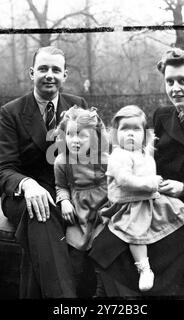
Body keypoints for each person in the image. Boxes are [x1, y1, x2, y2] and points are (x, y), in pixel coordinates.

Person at [89, 48, 184, 297]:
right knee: (105, 246)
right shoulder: (161, 116)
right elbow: (139, 158)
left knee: (151, 261)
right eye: (169, 81)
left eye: (183, 81)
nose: (175, 88)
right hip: (146, 201)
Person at [0, 46, 88, 298]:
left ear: (65, 75)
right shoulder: (11, 112)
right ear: (31, 72)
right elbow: (2, 168)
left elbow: (90, 155)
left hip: (66, 192)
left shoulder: (78, 105)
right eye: (43, 69)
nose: (49, 75)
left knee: (39, 236)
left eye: (56, 70)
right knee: (40, 214)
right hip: (22, 196)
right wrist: (27, 184)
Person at [102, 105, 184, 292]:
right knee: (136, 233)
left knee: (178, 206)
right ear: (115, 133)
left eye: (136, 129)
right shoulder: (119, 156)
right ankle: (144, 268)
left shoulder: (144, 152)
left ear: (145, 133)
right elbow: (125, 180)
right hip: (129, 204)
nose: (130, 134)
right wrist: (150, 183)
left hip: (149, 198)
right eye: (124, 129)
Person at [53, 106, 109, 296]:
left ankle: (101, 293)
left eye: (82, 136)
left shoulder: (103, 159)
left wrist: (111, 209)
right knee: (74, 256)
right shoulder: (62, 161)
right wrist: (64, 201)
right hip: (79, 213)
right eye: (70, 134)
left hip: (102, 212)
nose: (75, 140)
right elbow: (61, 186)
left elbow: (115, 186)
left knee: (103, 253)